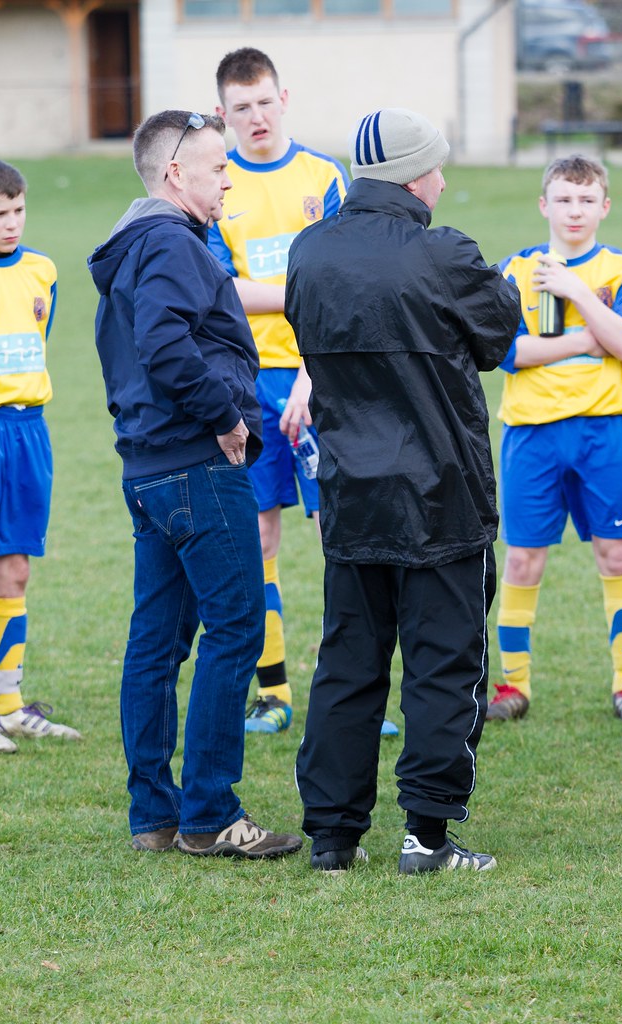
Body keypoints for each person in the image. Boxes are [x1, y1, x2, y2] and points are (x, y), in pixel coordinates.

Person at [285, 108, 521, 873]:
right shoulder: (443, 252)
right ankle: (427, 835)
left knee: (348, 663)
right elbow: (497, 335)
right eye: (439, 168)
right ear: (414, 176)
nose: (444, 181)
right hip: (440, 495)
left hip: (351, 493)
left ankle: (332, 836)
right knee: (443, 663)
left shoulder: (309, 250)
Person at [87, 109, 302, 858]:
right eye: (217, 167)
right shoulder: (172, 242)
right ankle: (210, 815)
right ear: (176, 173)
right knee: (236, 629)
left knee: (157, 641)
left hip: (148, 469)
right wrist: (225, 418)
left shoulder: (137, 245)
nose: (227, 179)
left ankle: (154, 814)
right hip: (194, 465)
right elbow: (164, 341)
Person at [209, 49, 407, 736]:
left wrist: (312, 368)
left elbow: (347, 283)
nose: (255, 117)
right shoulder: (216, 180)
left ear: (282, 97)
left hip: (326, 376)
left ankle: (356, 691)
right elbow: (220, 290)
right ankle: (273, 692)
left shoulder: (323, 176)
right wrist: (303, 293)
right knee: (257, 536)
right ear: (222, 114)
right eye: (241, 108)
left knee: (341, 535)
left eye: (264, 102)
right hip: (243, 384)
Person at [488, 154, 622, 724]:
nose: (574, 210)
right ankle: (514, 686)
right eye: (563, 199)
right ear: (544, 205)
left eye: (585, 200)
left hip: (605, 433)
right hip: (531, 436)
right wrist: (587, 340)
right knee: (524, 559)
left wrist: (578, 290)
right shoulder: (514, 271)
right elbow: (508, 353)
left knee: (616, 553)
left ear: (604, 206)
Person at [0, 157, 81, 754]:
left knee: (16, 568)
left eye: (19, 211)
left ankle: (7, 704)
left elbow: (38, 342)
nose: (13, 223)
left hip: (29, 429)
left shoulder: (42, 269)